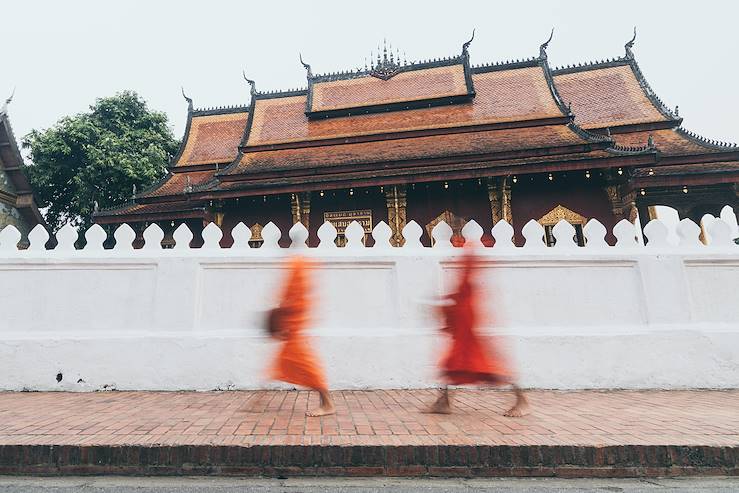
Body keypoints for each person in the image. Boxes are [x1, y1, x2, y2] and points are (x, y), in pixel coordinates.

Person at [428, 247, 529, 417]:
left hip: (467, 325)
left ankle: (522, 401)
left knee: (487, 365)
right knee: (451, 364)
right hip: (463, 323)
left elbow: (466, 285)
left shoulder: (470, 253)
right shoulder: (465, 262)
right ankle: (443, 402)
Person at [267, 255, 335, 417]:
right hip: (293, 327)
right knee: (282, 363)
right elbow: (290, 297)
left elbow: (293, 300)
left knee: (306, 367)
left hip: (294, 328)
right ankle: (259, 400)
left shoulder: (298, 266)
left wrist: (284, 318)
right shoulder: (299, 266)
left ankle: (328, 404)